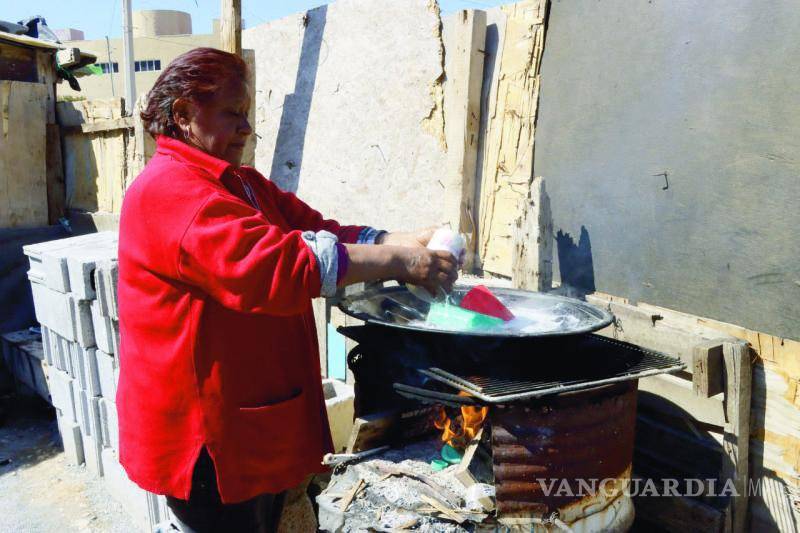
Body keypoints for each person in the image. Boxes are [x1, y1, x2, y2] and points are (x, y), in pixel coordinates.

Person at [116, 47, 459, 532]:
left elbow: (317, 229)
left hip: (247, 426)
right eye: (232, 114)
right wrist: (402, 261)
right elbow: (278, 266)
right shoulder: (172, 192)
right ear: (184, 115)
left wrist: (401, 240)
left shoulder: (240, 183)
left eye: (246, 115)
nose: (245, 129)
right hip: (206, 443)